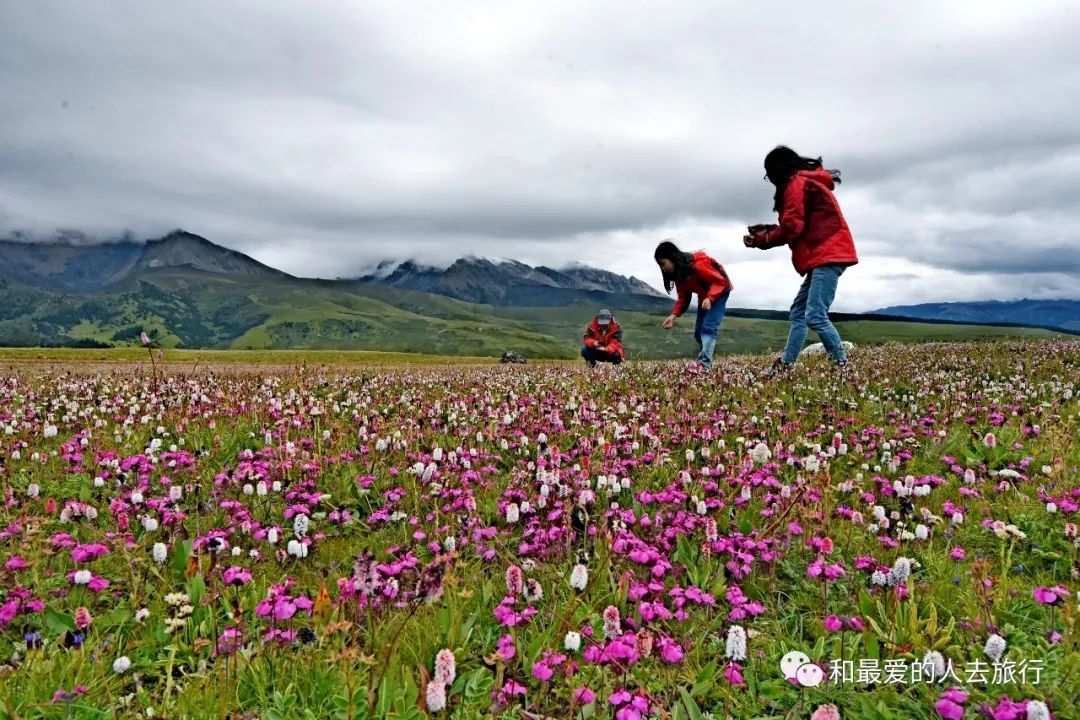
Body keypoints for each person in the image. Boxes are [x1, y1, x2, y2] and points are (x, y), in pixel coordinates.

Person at [744, 146, 858, 374]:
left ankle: (842, 366)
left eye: (769, 175)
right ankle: (787, 363)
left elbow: (792, 227)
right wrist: (765, 233)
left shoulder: (796, 183)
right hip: (825, 253)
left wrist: (762, 239)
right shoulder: (805, 181)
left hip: (827, 253)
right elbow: (796, 223)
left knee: (815, 314)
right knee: (799, 312)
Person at [654, 240, 733, 372]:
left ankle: (703, 364)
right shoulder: (679, 275)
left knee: (708, 328)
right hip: (705, 297)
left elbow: (720, 281)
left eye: (663, 263)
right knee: (698, 332)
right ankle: (703, 360)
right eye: (660, 265)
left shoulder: (698, 264)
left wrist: (710, 297)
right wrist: (673, 316)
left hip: (719, 292)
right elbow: (683, 298)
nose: (663, 268)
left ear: (672, 257)